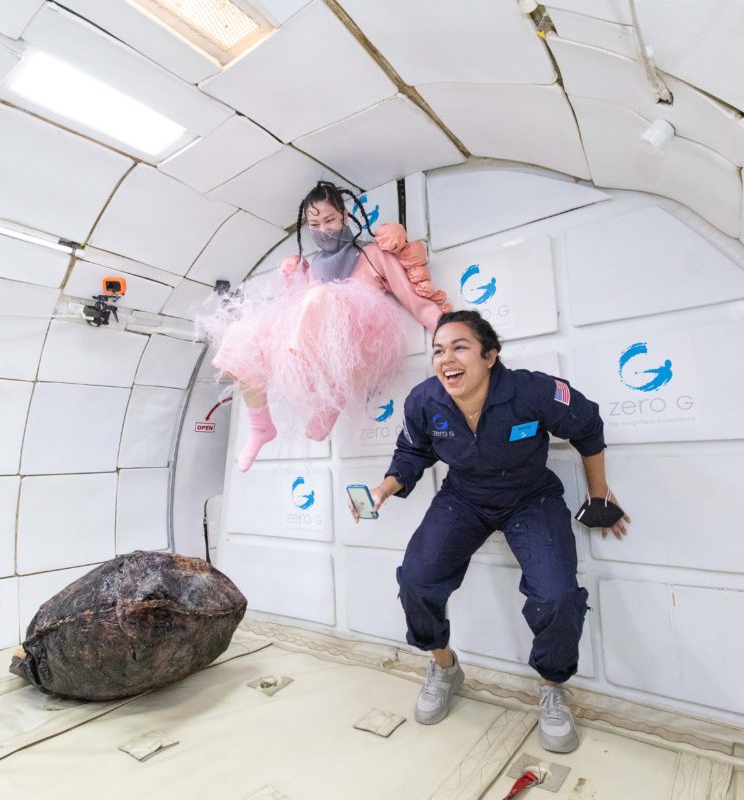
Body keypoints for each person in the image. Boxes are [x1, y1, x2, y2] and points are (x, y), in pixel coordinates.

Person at [354, 310, 630, 753]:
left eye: (459, 347)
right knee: (416, 580)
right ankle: (444, 667)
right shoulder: (424, 401)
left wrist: (599, 494)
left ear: (490, 356)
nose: (446, 358)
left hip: (530, 497)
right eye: (438, 350)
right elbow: (412, 451)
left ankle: (552, 687)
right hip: (463, 498)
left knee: (556, 596)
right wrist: (385, 487)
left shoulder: (534, 390)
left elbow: (588, 425)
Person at [204, 181, 450, 472]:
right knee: (242, 334)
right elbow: (296, 316)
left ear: (345, 216)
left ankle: (330, 397)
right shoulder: (314, 268)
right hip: (309, 351)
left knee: (319, 297)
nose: (323, 229)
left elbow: (414, 300)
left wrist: (449, 333)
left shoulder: (373, 254)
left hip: (357, 345)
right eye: (315, 224)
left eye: (330, 220)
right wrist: (293, 281)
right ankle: (260, 425)